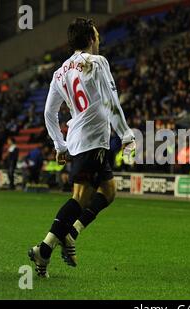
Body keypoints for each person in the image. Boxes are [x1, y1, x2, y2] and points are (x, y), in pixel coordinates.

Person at [28, 18, 135, 278]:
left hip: (78, 140)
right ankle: (45, 247)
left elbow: (48, 113)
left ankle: (71, 234)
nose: (98, 40)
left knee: (108, 192)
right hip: (93, 140)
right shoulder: (96, 62)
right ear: (90, 39)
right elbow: (110, 101)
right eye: (96, 36)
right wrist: (127, 135)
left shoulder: (60, 71)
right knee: (80, 199)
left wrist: (60, 144)